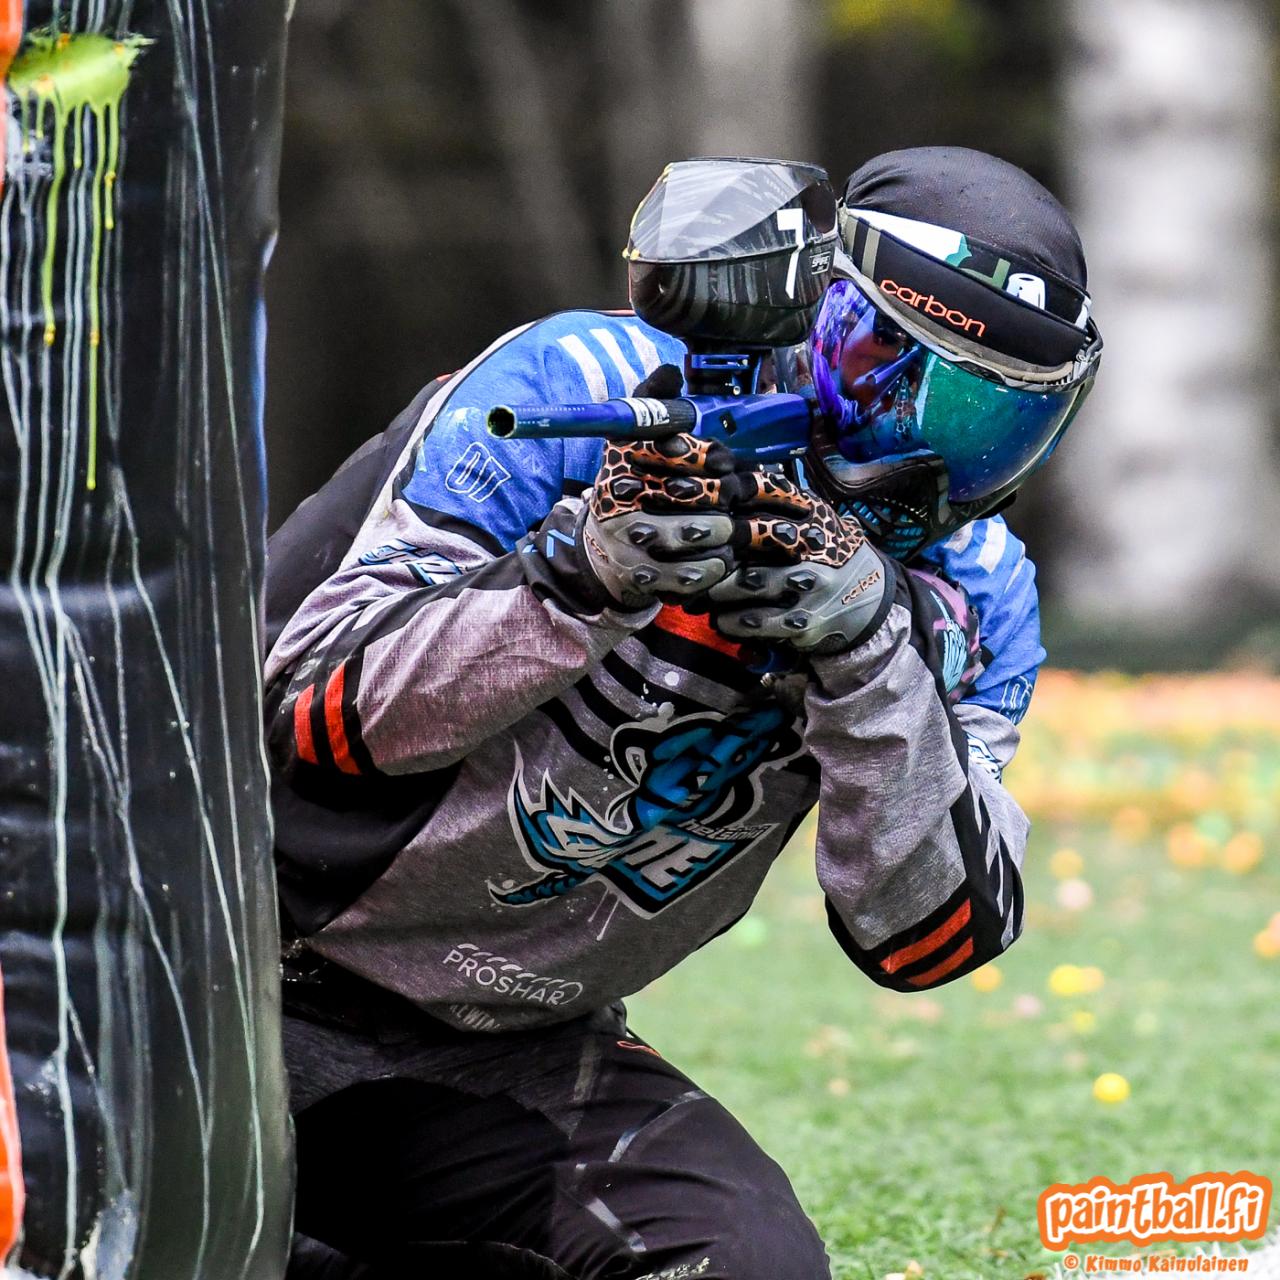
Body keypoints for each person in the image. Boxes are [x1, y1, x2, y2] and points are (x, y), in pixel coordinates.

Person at [266, 147, 1102, 1280]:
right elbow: (306, 710)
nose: (921, 453)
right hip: (223, 961)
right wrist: (579, 578)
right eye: (887, 373)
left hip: (491, 1051)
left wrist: (866, 655)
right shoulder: (580, 390)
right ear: (816, 311)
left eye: (984, 421)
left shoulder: (972, 594)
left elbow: (929, 935)